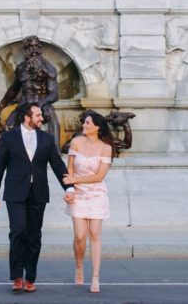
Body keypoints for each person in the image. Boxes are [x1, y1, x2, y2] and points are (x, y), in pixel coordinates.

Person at [0, 101, 75, 294]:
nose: (41, 118)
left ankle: (30, 277)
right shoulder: (9, 138)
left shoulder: (46, 138)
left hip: (38, 193)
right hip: (15, 193)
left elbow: (57, 164)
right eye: (37, 115)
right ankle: (17, 276)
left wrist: (69, 188)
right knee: (18, 231)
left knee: (34, 235)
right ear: (27, 117)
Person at [62, 110, 115, 293]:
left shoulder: (106, 147)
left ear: (98, 127)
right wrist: (69, 189)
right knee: (79, 237)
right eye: (84, 122)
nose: (84, 125)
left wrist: (74, 181)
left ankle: (95, 277)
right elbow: (69, 168)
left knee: (95, 234)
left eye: (87, 123)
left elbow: (99, 176)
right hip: (78, 194)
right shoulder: (76, 142)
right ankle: (78, 265)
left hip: (96, 193)